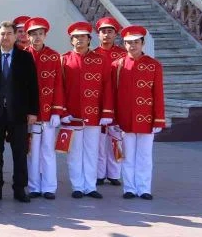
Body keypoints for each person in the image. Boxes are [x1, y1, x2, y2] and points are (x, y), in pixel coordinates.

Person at [0, 21, 39, 203]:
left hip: (18, 113)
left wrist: (32, 111)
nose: (5, 37)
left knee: (19, 153)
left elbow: (32, 86)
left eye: (9, 33)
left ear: (15, 36)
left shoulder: (25, 57)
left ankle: (19, 189)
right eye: (2, 34)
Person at [60, 22, 115, 199]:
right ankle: (77, 186)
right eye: (76, 37)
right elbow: (59, 88)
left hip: (94, 115)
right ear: (71, 40)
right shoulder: (64, 60)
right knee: (74, 152)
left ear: (89, 39)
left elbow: (107, 87)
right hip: (72, 115)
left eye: (83, 37)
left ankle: (90, 186)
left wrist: (107, 112)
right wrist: (63, 112)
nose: (79, 40)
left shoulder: (101, 60)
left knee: (92, 151)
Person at [112, 26, 165, 200]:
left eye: (136, 42)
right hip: (125, 118)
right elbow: (113, 93)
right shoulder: (117, 65)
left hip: (146, 117)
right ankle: (129, 188)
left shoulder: (154, 65)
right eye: (128, 42)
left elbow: (158, 94)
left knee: (144, 155)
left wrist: (159, 119)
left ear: (143, 43)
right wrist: (114, 118)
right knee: (127, 155)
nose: (132, 45)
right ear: (124, 44)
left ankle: (144, 188)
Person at [25, 17, 64, 200]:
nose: (37, 37)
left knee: (48, 151)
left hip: (48, 113)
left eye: (40, 34)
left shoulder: (54, 56)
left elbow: (58, 84)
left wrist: (57, 111)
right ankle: (33, 186)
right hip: (30, 115)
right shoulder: (23, 55)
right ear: (28, 36)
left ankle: (49, 187)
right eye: (33, 34)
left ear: (45, 35)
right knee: (32, 152)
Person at [94, 17, 127, 187]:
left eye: (110, 31)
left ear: (115, 34)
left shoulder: (123, 55)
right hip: (97, 102)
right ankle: (99, 173)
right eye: (103, 32)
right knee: (99, 141)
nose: (106, 35)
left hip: (117, 102)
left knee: (116, 139)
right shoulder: (92, 55)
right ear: (98, 34)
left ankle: (114, 173)